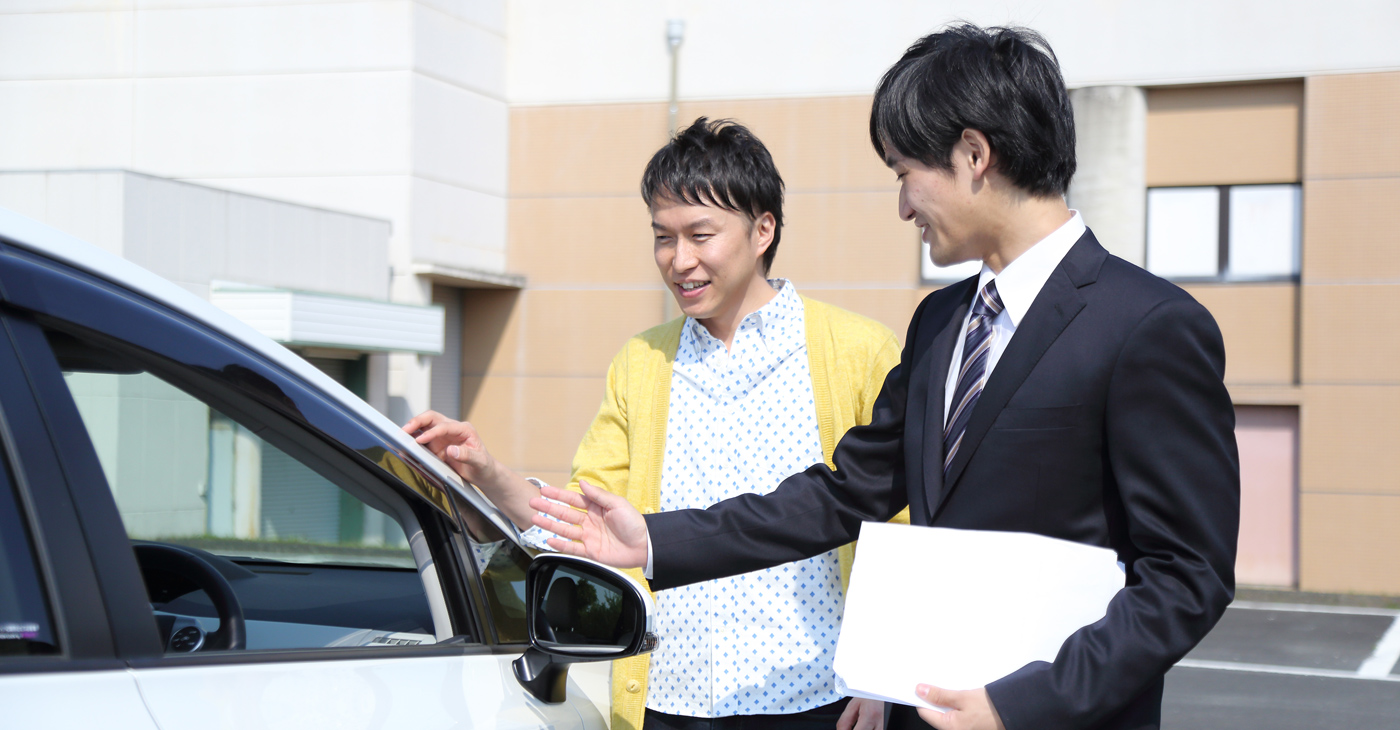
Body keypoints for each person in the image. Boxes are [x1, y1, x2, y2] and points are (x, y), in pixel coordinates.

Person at [526, 24, 1240, 730]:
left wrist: (1021, 703)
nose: (903, 206)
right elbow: (843, 493)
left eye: (905, 173)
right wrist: (653, 541)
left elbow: (1186, 576)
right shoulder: (940, 324)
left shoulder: (1147, 325)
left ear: (973, 154)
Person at [405, 117, 908, 730]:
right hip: (671, 701)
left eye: (701, 234)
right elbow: (589, 525)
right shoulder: (641, 363)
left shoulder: (858, 352)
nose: (680, 260)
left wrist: (884, 674)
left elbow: (899, 527)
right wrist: (488, 473)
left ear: (762, 230)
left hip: (818, 698)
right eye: (663, 237)